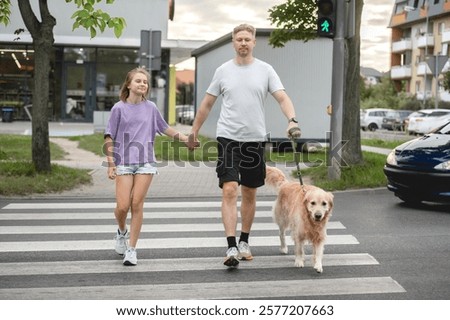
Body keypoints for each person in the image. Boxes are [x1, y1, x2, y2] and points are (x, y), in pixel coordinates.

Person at [186, 24, 301, 267]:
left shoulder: (265, 70)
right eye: (239, 39)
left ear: (254, 42)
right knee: (229, 189)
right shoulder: (223, 71)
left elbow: (282, 97)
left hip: (254, 140)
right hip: (228, 138)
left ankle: (244, 241)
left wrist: (291, 119)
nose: (243, 43)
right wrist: (194, 132)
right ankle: (230, 246)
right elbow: (206, 104)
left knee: (249, 191)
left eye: (247, 39)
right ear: (233, 42)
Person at [104, 67, 192, 266]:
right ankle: (121, 231)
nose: (142, 84)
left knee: (136, 204)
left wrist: (186, 139)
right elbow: (109, 136)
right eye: (138, 81)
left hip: (145, 162)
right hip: (123, 162)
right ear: (128, 84)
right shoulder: (118, 108)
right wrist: (110, 163)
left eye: (145, 81)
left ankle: (132, 250)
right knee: (122, 207)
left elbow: (164, 128)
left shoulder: (151, 107)